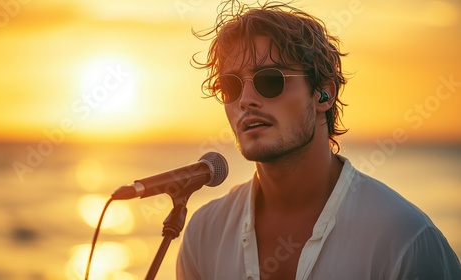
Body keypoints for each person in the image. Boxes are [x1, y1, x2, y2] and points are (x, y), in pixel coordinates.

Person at [176, 1, 461, 279]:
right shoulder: (204, 234)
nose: (247, 100)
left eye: (270, 80)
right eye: (230, 86)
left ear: (324, 93)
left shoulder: (403, 238)